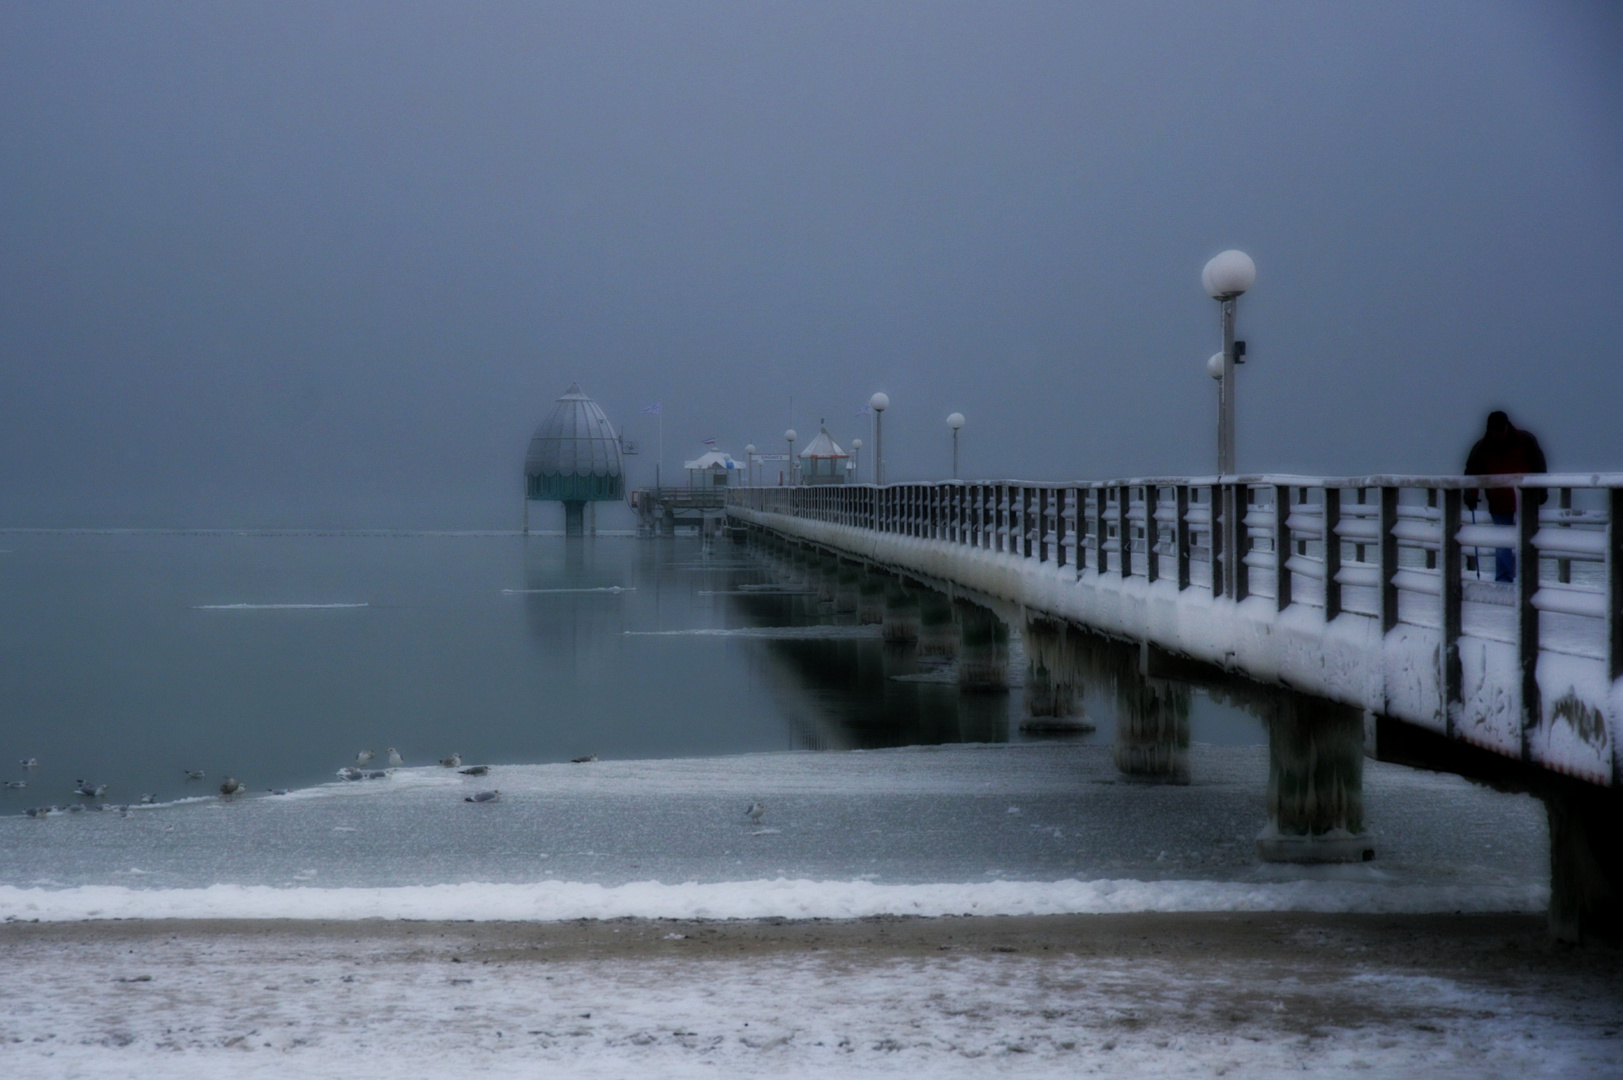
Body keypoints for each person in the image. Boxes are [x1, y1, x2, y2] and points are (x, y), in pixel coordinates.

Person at [1464, 411, 1547, 583]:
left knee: (1526, 542)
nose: (1498, 435)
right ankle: (1505, 582)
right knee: (1503, 545)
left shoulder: (1525, 441)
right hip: (1499, 501)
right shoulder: (1481, 448)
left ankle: (1526, 581)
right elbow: (1472, 473)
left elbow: (1539, 466)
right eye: (1495, 432)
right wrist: (1470, 495)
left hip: (1525, 501)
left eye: (1500, 431)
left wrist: (1542, 490)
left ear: (1507, 427)